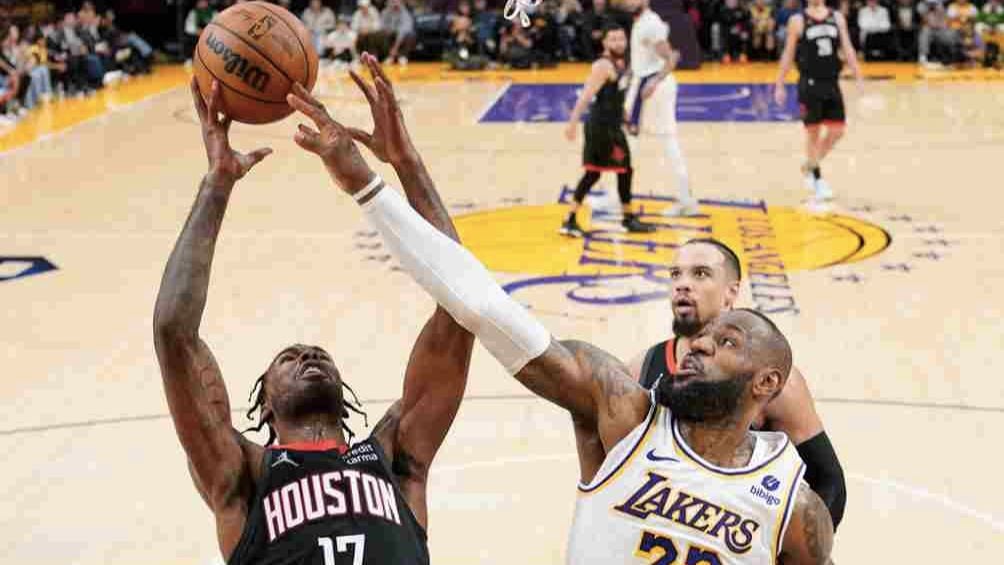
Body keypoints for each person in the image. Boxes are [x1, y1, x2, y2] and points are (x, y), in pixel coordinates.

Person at [284, 63, 836, 565]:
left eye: (726, 342)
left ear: (766, 382)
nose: (700, 345)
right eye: (706, 338)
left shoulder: (793, 504)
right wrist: (370, 183)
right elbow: (478, 303)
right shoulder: (623, 413)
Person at [153, 54, 475, 564]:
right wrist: (217, 182)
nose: (308, 356)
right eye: (289, 358)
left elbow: (463, 305)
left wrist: (405, 162)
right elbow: (173, 331)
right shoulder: (243, 475)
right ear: (264, 407)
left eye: (313, 354)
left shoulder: (393, 458)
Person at [624, 237, 847, 530]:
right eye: (676, 274)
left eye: (700, 273)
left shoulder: (773, 381)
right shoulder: (642, 366)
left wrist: (791, 553)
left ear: (732, 292)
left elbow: (828, 481)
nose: (682, 284)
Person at [561, 24, 655, 238]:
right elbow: (586, 96)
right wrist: (572, 123)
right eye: (613, 39)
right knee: (611, 171)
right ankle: (624, 219)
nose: (618, 43)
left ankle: (573, 218)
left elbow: (615, 97)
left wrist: (626, 119)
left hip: (612, 126)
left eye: (621, 39)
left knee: (602, 172)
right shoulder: (603, 65)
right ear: (604, 42)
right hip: (601, 128)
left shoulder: (621, 63)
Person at [774, 0, 863, 207]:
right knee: (812, 133)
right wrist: (779, 83)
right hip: (809, 83)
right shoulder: (797, 20)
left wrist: (858, 74)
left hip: (831, 82)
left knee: (837, 131)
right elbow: (788, 53)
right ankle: (817, 179)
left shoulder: (836, 17)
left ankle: (810, 165)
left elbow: (847, 47)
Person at [623, 0, 698, 218]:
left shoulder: (651, 23)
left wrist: (654, 81)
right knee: (630, 139)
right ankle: (618, 193)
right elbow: (641, 57)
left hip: (654, 88)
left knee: (666, 140)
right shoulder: (641, 22)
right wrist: (628, 75)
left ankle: (686, 200)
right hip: (643, 84)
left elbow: (672, 56)